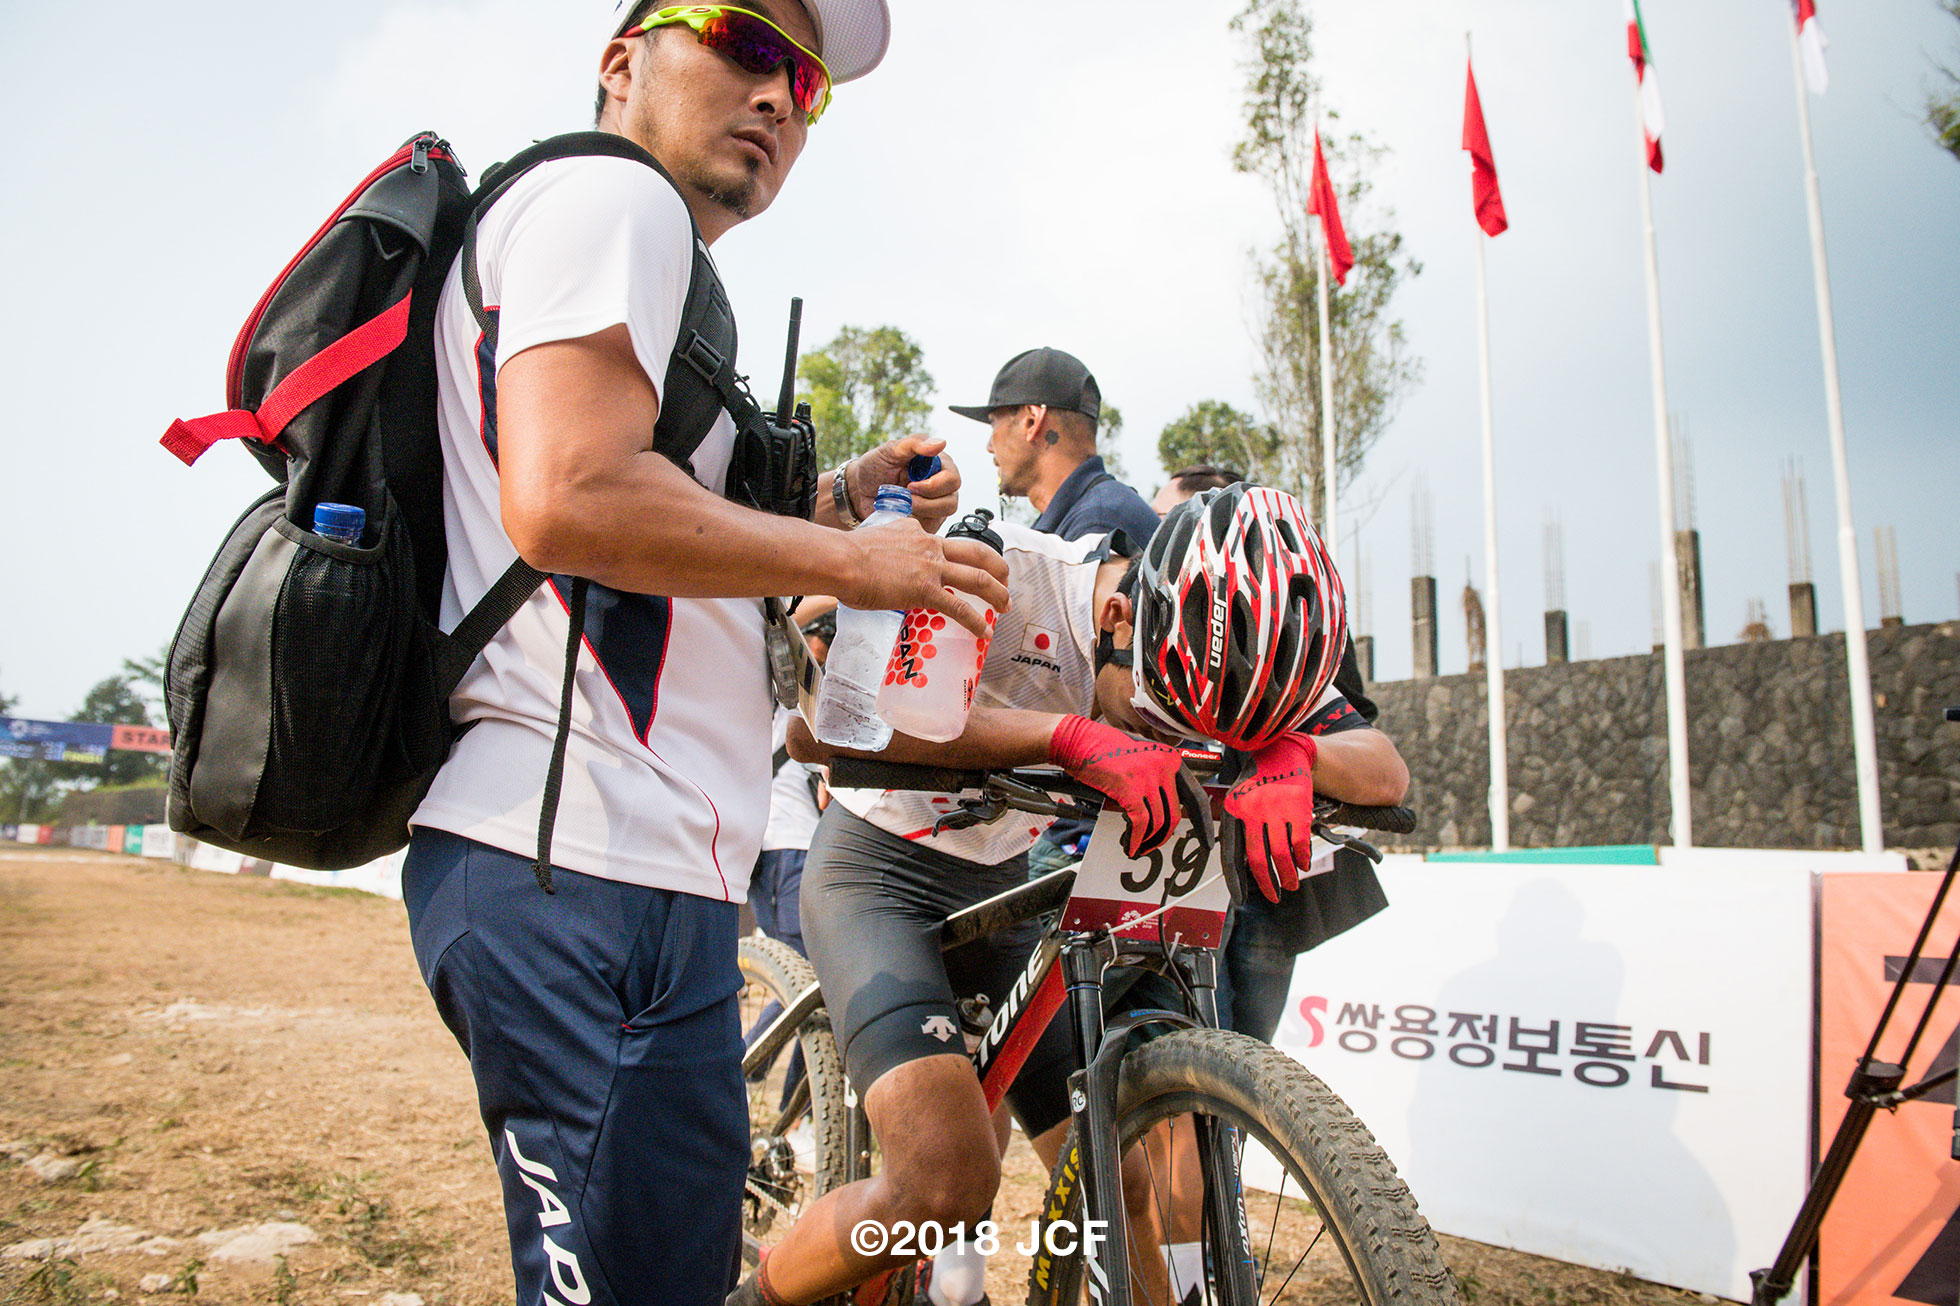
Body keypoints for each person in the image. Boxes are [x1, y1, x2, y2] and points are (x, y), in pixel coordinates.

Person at [397, 6, 1011, 1304]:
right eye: (741, 38)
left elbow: (666, 534)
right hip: (572, 863)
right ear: (623, 60)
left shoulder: (659, 260)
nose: (781, 95)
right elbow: (568, 494)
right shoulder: (609, 198)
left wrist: (839, 498)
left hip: (643, 871)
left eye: (808, 80)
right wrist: (855, 564)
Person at [737, 485, 1409, 1306]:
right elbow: (826, 727)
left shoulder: (1223, 655)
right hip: (880, 875)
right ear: (1123, 618)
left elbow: (1384, 765)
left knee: (1120, 1185)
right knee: (943, 1189)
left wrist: (1296, 753)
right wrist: (1064, 735)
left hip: (999, 886)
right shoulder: (1004, 572)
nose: (1169, 739)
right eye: (1160, 715)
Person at [952, 347, 1162, 547]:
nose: (989, 447)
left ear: (1031, 422)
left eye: (993, 423)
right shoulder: (1088, 513)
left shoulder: (1097, 524)